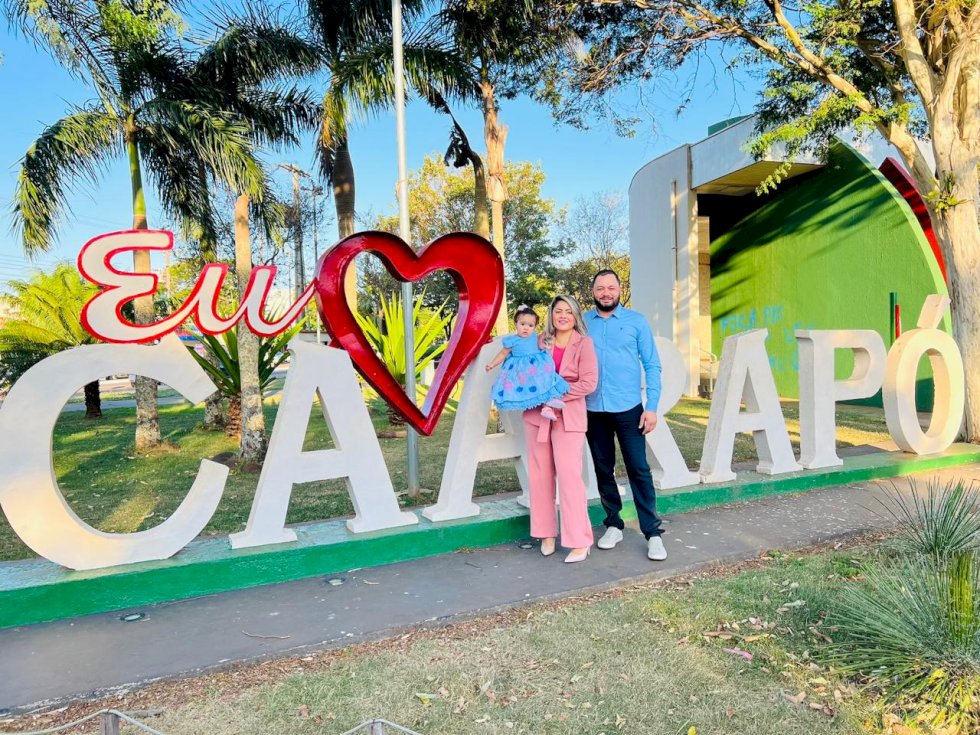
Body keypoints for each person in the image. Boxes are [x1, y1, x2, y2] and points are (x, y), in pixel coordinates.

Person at [584, 269, 667, 561]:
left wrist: (652, 406)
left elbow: (652, 365)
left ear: (620, 290)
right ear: (593, 291)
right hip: (593, 410)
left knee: (639, 469)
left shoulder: (636, 321)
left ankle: (652, 532)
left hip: (629, 409)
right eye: (600, 288)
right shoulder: (582, 323)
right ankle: (613, 524)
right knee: (602, 469)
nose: (605, 293)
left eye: (611, 287)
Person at [521, 295, 598, 563]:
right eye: (558, 311)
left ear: (575, 316)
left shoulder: (584, 344)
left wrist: (556, 394)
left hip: (568, 417)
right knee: (540, 476)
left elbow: (588, 383)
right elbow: (521, 363)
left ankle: (579, 540)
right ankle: (546, 534)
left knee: (569, 477)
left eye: (568, 311)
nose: (563, 315)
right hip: (536, 416)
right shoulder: (540, 340)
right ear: (551, 315)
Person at [485, 305, 569, 420]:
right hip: (520, 369)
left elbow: (548, 336)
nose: (526, 328)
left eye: (530, 325)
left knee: (544, 381)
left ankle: (548, 405)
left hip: (536, 366)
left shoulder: (535, 336)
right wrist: (492, 364)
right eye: (522, 324)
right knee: (528, 389)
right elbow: (503, 354)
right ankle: (545, 406)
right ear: (516, 324)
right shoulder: (512, 340)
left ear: (534, 327)